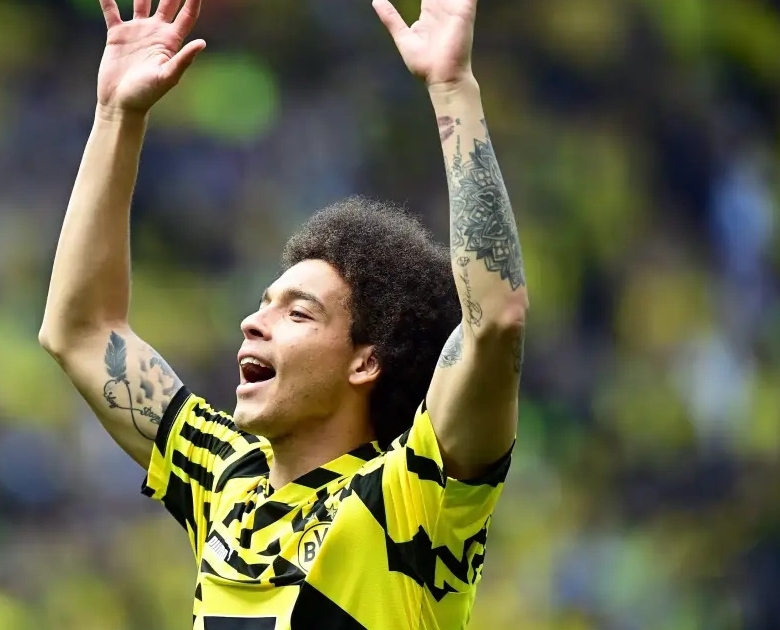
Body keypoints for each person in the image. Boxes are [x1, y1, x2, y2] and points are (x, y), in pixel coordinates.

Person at [38, 0, 528, 626]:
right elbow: (81, 331)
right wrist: (116, 116)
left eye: (299, 314)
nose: (253, 323)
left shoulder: (413, 501)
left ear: (365, 362)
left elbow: (495, 321)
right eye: (263, 303)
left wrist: (453, 89)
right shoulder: (225, 478)